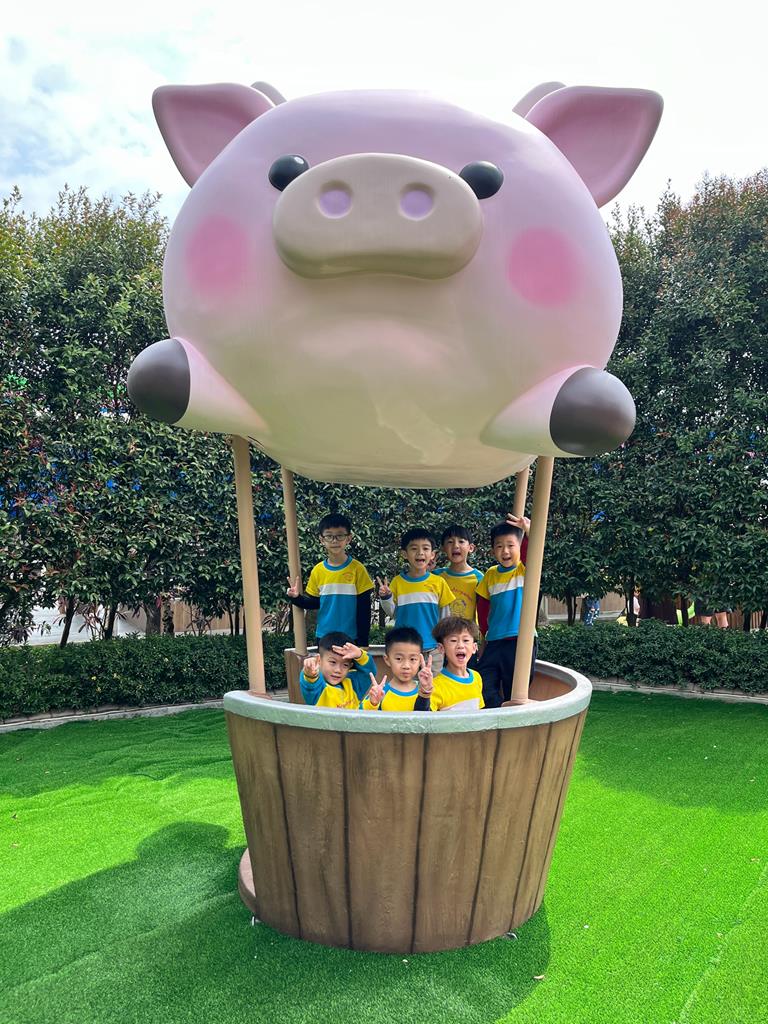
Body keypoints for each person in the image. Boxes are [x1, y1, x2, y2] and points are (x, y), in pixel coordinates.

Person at [287, 513, 373, 646]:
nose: (334, 541)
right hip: (324, 637)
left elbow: (364, 609)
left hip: (351, 638)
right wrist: (296, 598)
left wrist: (363, 642)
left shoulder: (358, 569)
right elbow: (314, 603)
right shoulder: (318, 571)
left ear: (348, 538)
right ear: (322, 540)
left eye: (340, 535)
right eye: (329, 536)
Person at [377, 528, 455, 672]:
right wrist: (386, 597)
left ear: (432, 554)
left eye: (425, 548)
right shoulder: (398, 582)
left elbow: (445, 618)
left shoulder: (439, 583)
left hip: (432, 649)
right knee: (406, 684)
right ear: (404, 554)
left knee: (431, 684)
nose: (420, 553)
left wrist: (444, 642)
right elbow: (392, 612)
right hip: (404, 648)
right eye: (414, 549)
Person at [475, 517, 533, 708]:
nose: (505, 551)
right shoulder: (490, 574)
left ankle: (511, 719)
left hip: (520, 640)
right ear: (493, 551)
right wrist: (484, 636)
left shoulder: (524, 570)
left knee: (514, 688)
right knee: (483, 684)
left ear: (520, 547)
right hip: (494, 641)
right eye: (499, 546)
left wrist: (528, 531)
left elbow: (533, 553)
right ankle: (498, 711)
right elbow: (483, 608)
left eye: (510, 545)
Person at [363, 626, 433, 711]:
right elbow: (360, 716)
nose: (406, 666)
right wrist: (373, 704)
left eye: (412, 659)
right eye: (399, 659)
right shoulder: (380, 692)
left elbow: (429, 717)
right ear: (387, 660)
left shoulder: (427, 691)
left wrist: (425, 694)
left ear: (420, 661)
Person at [299, 632, 374, 709]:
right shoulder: (317, 690)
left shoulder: (353, 685)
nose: (338, 670)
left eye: (345, 665)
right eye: (333, 662)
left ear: (350, 666)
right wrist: (310, 673)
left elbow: (369, 672)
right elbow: (310, 683)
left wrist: (360, 655)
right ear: (319, 660)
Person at [425, 616, 484, 711]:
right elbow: (425, 716)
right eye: (453, 640)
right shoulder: (435, 685)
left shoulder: (477, 677)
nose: (460, 645)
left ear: (474, 647)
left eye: (466, 640)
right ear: (441, 648)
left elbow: (479, 711)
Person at [432, 525, 485, 621]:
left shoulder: (479, 578)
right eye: (450, 542)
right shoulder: (436, 576)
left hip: (467, 630)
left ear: (471, 548)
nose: (455, 546)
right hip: (440, 630)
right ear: (443, 548)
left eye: (461, 541)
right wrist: (425, 570)